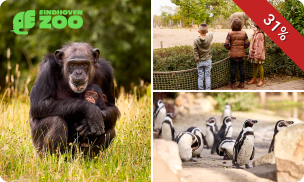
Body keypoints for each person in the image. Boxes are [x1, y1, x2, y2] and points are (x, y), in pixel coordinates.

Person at [224, 18, 250, 89]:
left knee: (233, 68)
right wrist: (242, 48)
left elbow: (226, 45)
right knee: (241, 68)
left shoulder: (230, 33)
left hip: (233, 55)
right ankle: (241, 84)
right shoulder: (244, 33)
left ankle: (233, 84)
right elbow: (247, 44)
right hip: (241, 54)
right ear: (240, 25)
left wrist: (231, 49)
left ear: (232, 25)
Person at [193, 23, 214, 90]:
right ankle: (208, 89)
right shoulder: (208, 39)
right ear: (207, 31)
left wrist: (197, 60)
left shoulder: (196, 40)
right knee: (207, 76)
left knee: (200, 76)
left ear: (198, 31)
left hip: (200, 61)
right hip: (208, 60)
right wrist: (212, 32)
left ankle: (201, 89)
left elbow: (195, 51)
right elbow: (211, 35)